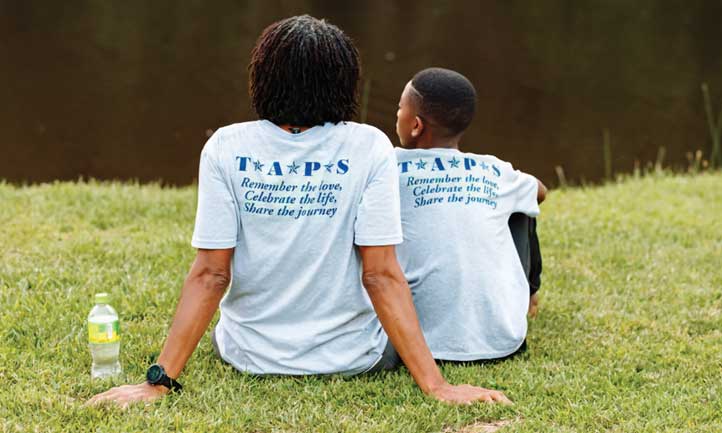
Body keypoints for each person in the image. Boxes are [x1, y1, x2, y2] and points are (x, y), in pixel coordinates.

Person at [88, 16, 510, 407]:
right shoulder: (369, 146)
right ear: (345, 84)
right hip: (354, 358)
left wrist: (157, 381)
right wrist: (437, 386)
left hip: (250, 355)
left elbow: (211, 274)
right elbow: (380, 274)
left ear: (262, 78)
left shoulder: (226, 146)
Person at [394, 67, 546, 363]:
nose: (396, 113)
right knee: (522, 201)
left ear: (415, 126)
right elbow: (541, 190)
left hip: (419, 341)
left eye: (400, 107)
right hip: (504, 342)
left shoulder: (388, 166)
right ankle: (528, 296)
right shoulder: (493, 169)